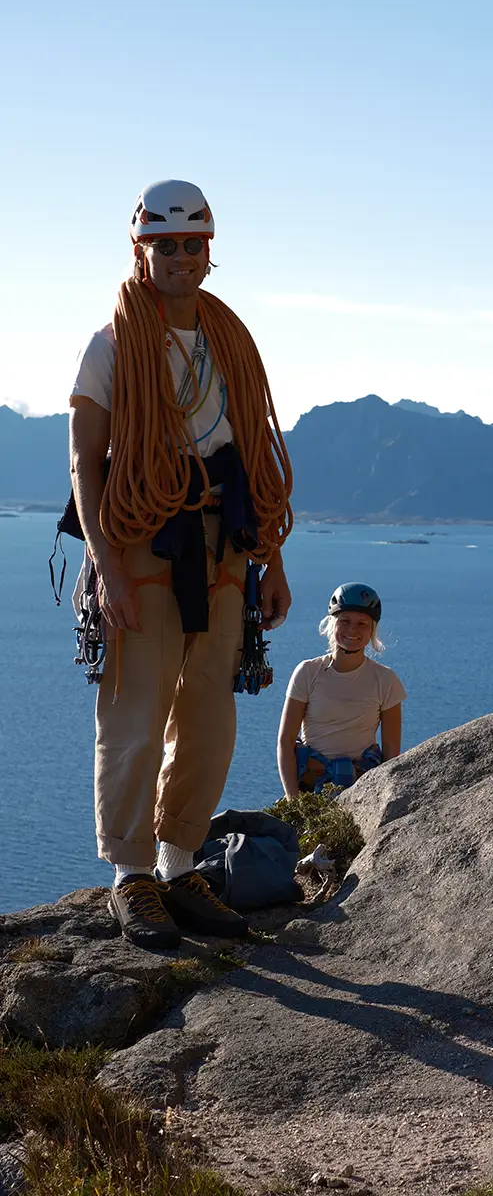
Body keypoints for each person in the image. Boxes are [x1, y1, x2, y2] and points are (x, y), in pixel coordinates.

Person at [69, 179, 294, 950]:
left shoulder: (229, 342)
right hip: (144, 541)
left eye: (190, 244)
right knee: (135, 710)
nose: (178, 258)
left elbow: (255, 456)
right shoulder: (109, 345)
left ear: (209, 250)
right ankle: (129, 876)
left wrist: (274, 559)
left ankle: (177, 862)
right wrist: (106, 565)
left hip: (225, 542)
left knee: (208, 711)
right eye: (163, 245)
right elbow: (84, 462)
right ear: (141, 250)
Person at [277, 583, 405, 799]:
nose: (352, 629)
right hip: (310, 788)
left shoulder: (385, 680)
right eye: (344, 621)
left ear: (372, 630)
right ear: (332, 623)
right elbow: (285, 742)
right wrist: (293, 801)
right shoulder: (308, 672)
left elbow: (391, 755)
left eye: (362, 623)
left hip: (361, 790)